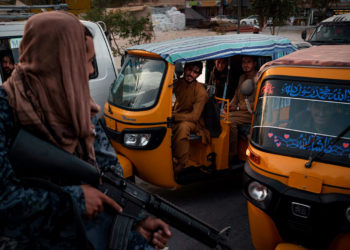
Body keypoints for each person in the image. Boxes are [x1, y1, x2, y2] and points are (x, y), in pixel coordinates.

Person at [0, 11, 170, 250]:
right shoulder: (6, 109)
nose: (91, 70)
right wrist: (74, 199)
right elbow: (5, 202)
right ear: (61, 61)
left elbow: (109, 178)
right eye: (87, 60)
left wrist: (137, 221)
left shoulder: (78, 107)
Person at [172, 61, 210, 175]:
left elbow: (194, 116)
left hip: (195, 123)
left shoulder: (201, 92)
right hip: (176, 116)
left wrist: (174, 117)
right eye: (189, 70)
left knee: (183, 128)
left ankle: (181, 163)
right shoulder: (178, 83)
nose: (191, 74)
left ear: (198, 75)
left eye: (195, 72)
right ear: (184, 69)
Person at [228, 55, 257, 159]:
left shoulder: (258, 79)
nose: (245, 65)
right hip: (239, 111)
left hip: (251, 113)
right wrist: (229, 105)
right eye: (243, 62)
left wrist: (238, 108)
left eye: (248, 62)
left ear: (255, 64)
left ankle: (232, 154)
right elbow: (236, 95)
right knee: (223, 117)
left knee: (230, 122)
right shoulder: (242, 77)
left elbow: (258, 103)